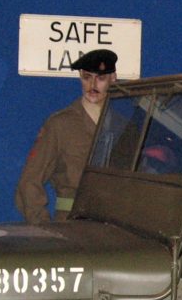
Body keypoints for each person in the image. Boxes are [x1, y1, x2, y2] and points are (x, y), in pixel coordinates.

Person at [16, 49, 118, 223]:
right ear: (80, 77)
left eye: (100, 78)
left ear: (112, 78)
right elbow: (29, 182)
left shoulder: (122, 125)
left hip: (115, 229)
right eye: (87, 77)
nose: (92, 85)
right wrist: (44, 229)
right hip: (73, 226)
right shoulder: (60, 125)